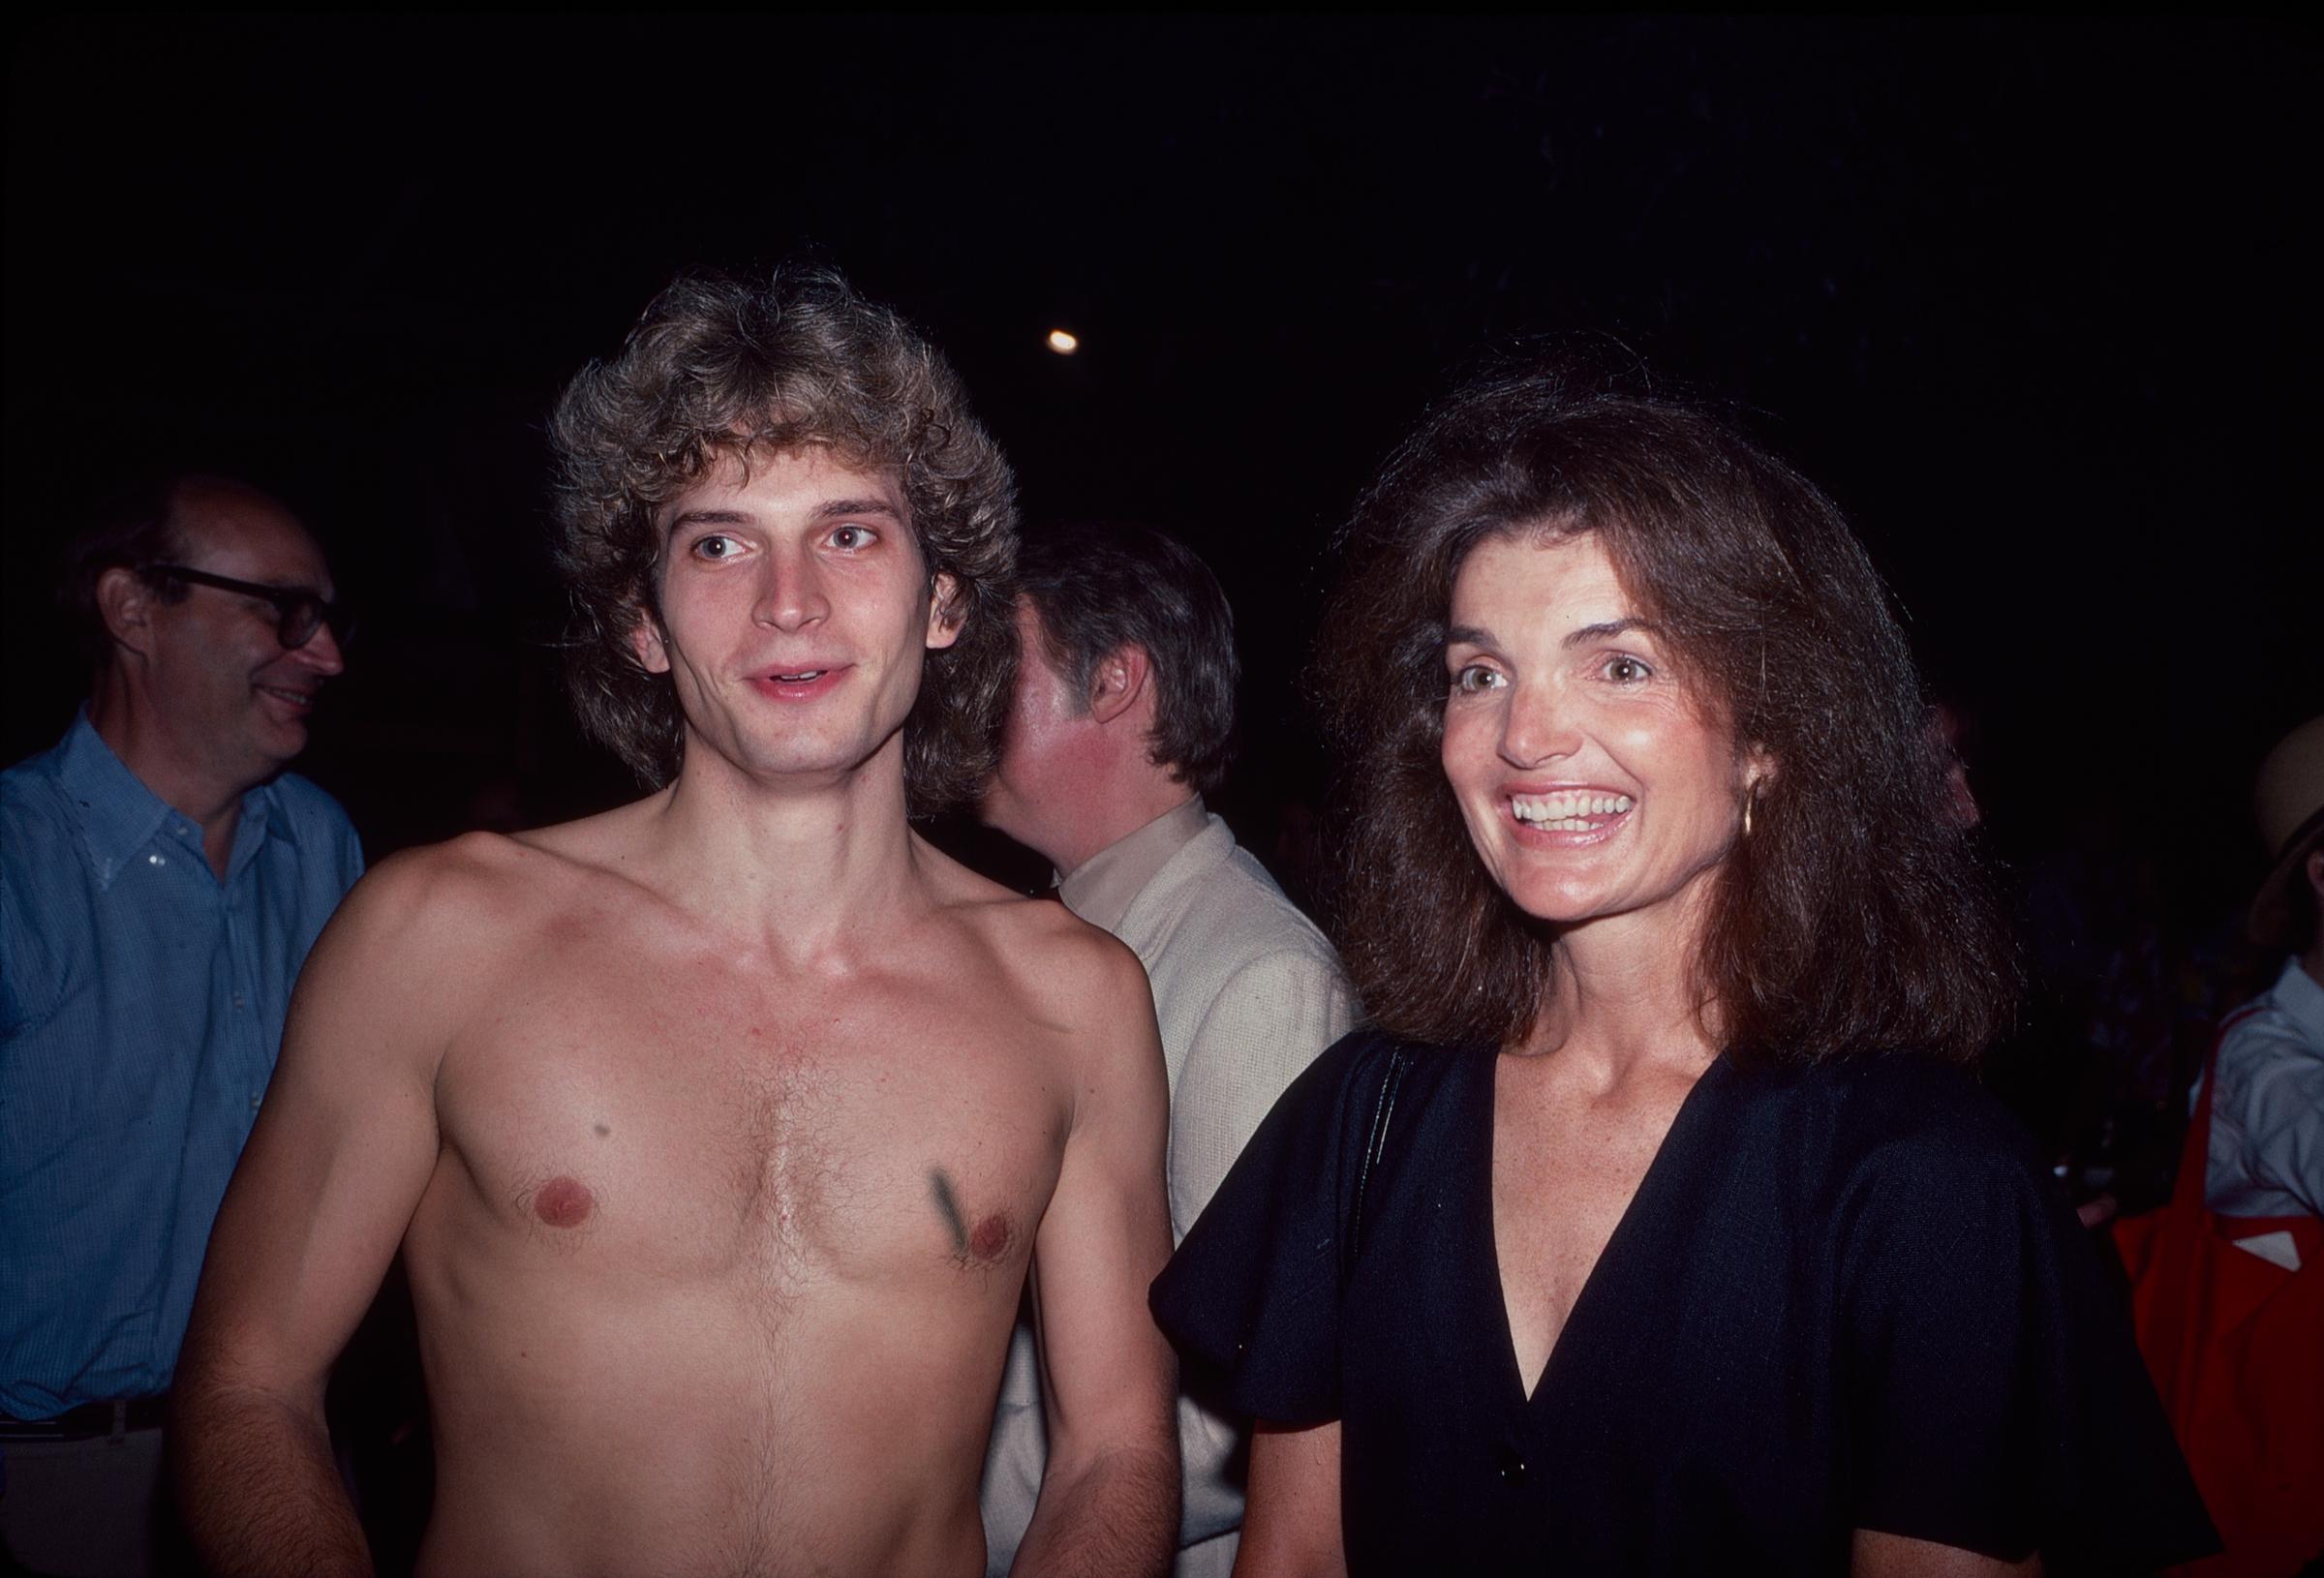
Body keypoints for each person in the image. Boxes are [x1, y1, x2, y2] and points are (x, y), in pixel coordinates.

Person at [170, 269, 1179, 1578]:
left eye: (851, 533)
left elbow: (1117, 1449)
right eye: (717, 542)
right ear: (644, 624)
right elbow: (247, 1385)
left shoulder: (1076, 996)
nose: (788, 602)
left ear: (944, 602)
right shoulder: (438, 937)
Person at [1150, 370, 2218, 1574]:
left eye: (1620, 665)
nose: (1526, 736)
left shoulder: (1930, 1185)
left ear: (1767, 738)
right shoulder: (1364, 1121)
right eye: (1479, 672)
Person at [978, 525, 1359, 1577]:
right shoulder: (1053, 937)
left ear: (1116, 683)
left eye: (997, 668)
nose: (952, 700)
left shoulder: (1262, 977)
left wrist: (918, 1480)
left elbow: (1245, 1417)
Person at [1, 475, 361, 1578]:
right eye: (284, 610)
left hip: (277, 1460)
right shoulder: (16, 863)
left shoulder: (323, 848)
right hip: (36, 1480)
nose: (328, 655)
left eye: (330, 616)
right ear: (134, 610)